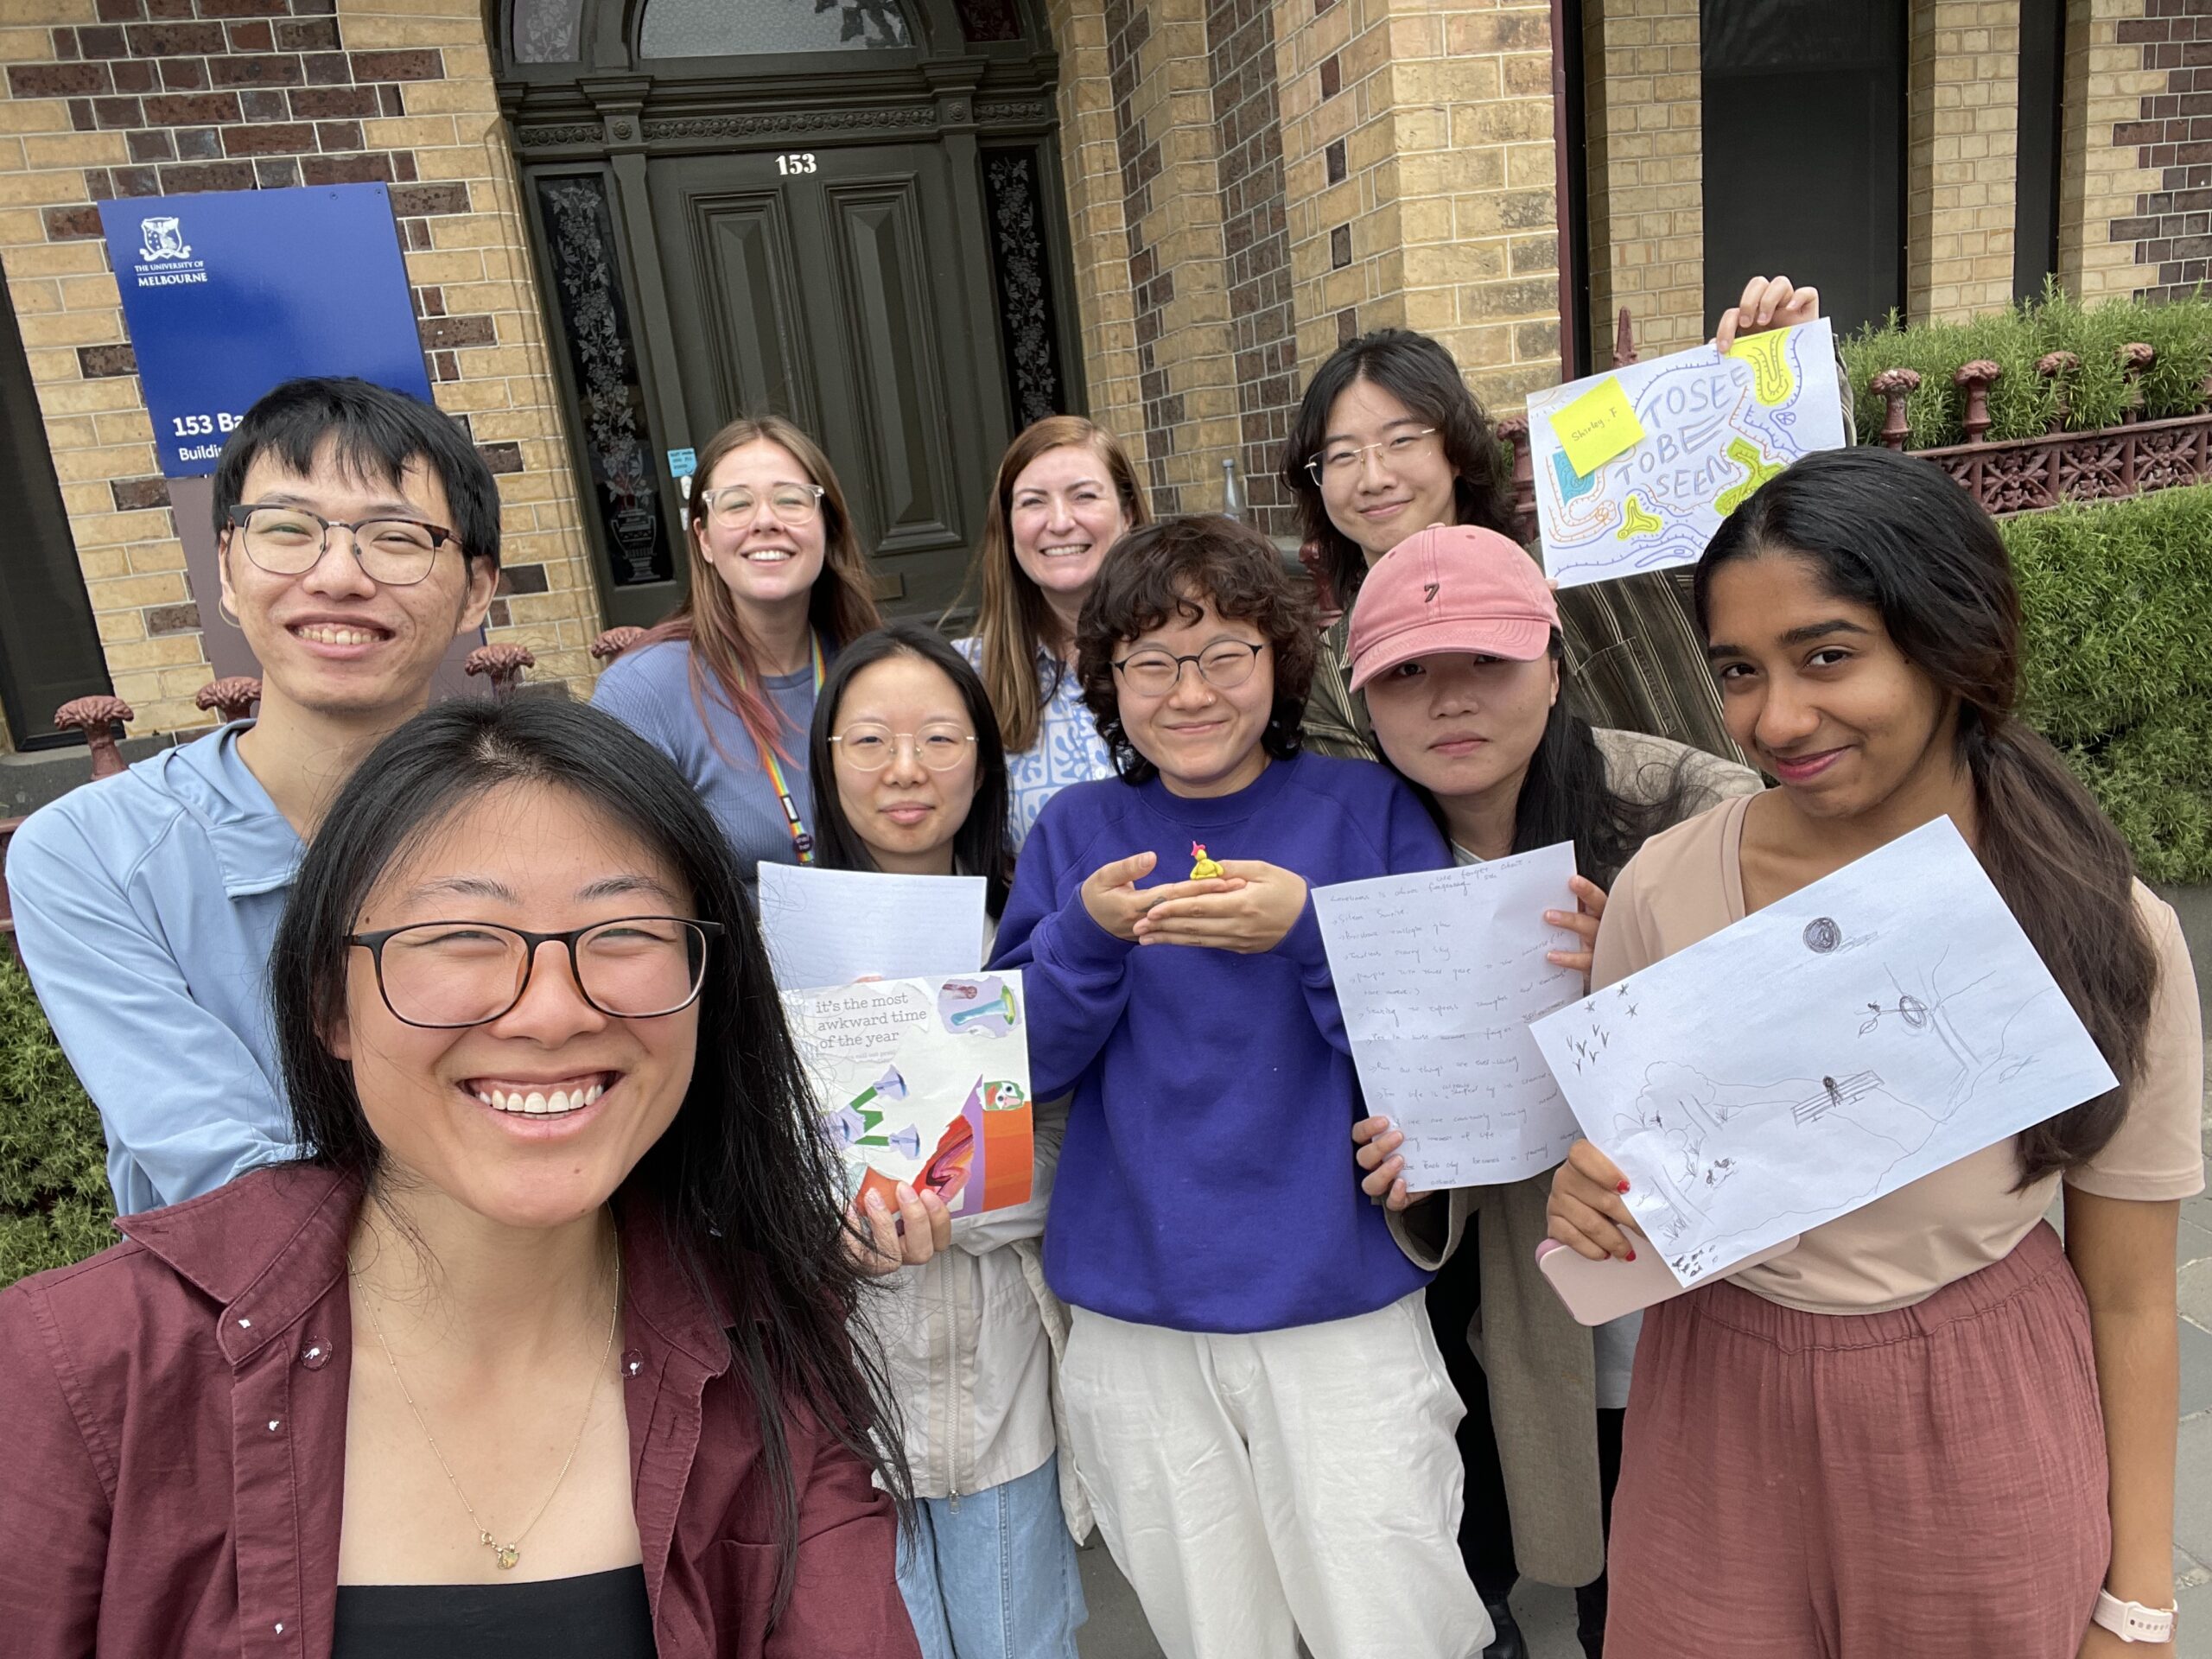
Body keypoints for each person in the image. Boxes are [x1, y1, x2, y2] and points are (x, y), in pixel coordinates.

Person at [0, 697, 924, 1658]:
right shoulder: (83, 1370)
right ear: (329, 1005)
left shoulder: (772, 1350)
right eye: (461, 937)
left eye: (623, 932)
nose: (552, 1014)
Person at [1546, 448, 2203, 1657]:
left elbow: (2130, 1296)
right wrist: (1594, 1201)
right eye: (1739, 671)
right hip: (1714, 1402)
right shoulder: (1664, 889)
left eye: (1827, 656)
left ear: (1954, 645)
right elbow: (1645, 1194)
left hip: (1977, 1403)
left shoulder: (2107, 932)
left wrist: (2139, 1605)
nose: (1776, 720)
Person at [992, 514, 1492, 1659]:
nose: (1190, 692)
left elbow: (1439, 1045)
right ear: (1107, 680)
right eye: (1151, 662)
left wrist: (1311, 930)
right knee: (1215, 1633)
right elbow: (1017, 1068)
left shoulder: (1366, 809)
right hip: (1136, 1310)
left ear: (1281, 658)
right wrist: (1089, 940)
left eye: (1224, 653)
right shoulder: (1079, 831)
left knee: (1396, 1622)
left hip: (1338, 1300)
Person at [1338, 524, 1758, 1658]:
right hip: (1511, 1309)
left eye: (1487, 659)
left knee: (1690, 1598)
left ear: (1556, 665)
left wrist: (1640, 967)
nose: (1449, 700)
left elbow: (1798, 1048)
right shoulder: (1363, 856)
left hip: (1708, 1304)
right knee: (1582, 1568)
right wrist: (1401, 1164)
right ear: (1364, 702)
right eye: (1406, 674)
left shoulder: (1689, 809)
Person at [5, 376, 500, 1213]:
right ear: (228, 571)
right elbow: (226, 1175)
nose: (338, 576)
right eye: (288, 530)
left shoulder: (537, 821)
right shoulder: (91, 852)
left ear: (476, 590)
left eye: (395, 538)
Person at [805, 620, 1088, 1659]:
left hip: (997, 1380)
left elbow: (1078, 1149)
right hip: (840, 1391)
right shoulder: (773, 940)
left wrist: (945, 1203)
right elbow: (743, 1162)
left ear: (983, 756)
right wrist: (827, 1221)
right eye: (869, 740)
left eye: (938, 737)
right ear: (826, 758)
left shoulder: (1032, 936)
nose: (905, 769)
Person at [1287, 274, 1824, 769]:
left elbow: (1779, 531)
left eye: (1403, 440)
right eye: (1341, 455)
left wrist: (1779, 375)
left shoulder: (1596, 551)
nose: (1374, 477)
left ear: (1455, 452)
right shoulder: (1332, 678)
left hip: (1739, 826)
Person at [593, 415, 882, 886]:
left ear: (828, 528)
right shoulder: (641, 692)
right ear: (705, 539)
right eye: (736, 503)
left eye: (791, 500)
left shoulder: (879, 670)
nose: (765, 521)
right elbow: (620, 884)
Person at [955, 415, 1151, 850]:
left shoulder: (1192, 656)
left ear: (1128, 514)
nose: (1060, 522)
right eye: (1033, 502)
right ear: (1008, 526)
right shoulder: (964, 678)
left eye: (1084, 496)